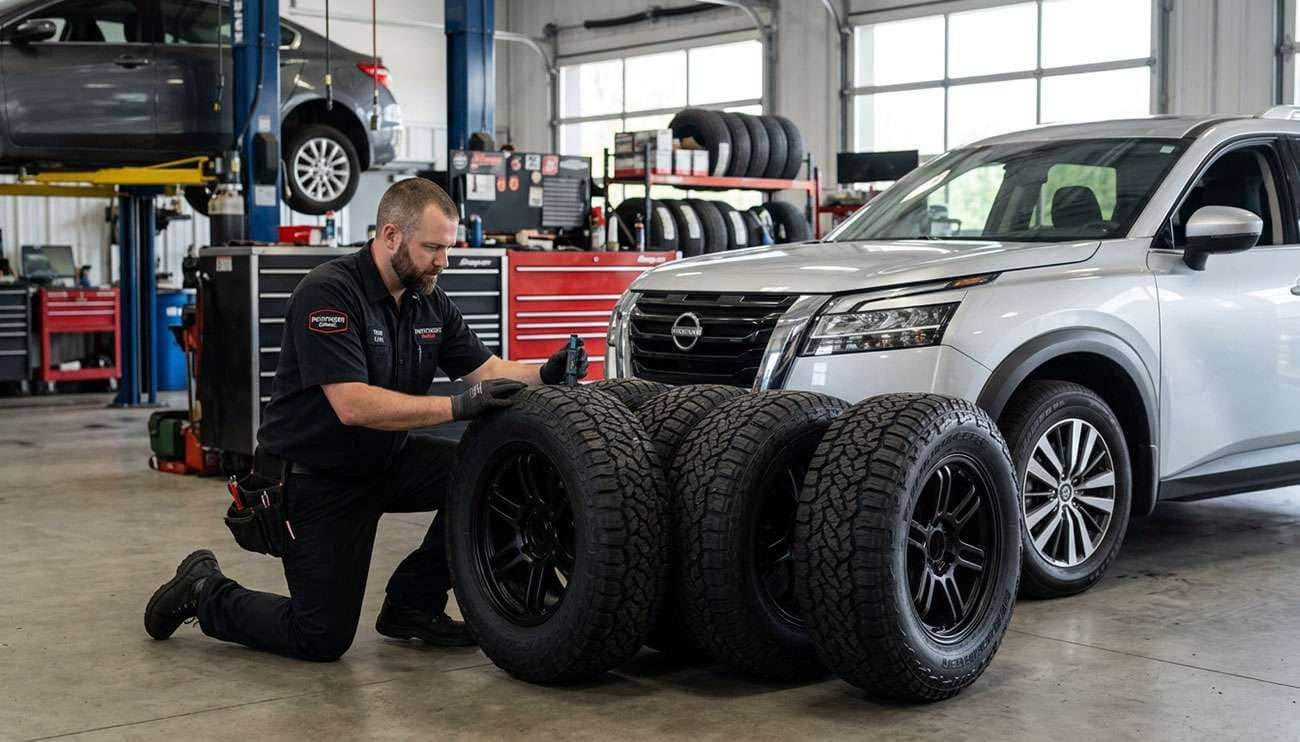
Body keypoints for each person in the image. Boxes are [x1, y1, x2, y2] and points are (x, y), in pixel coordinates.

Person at [143, 178, 589, 661]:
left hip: (387, 460)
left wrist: (545, 370)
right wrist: (458, 407)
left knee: (488, 471)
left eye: (448, 248)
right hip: (317, 480)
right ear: (391, 235)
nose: (444, 261)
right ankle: (203, 590)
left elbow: (488, 370)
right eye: (433, 248)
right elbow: (352, 406)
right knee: (319, 637)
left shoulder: (428, 300)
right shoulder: (329, 294)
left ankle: (412, 604)